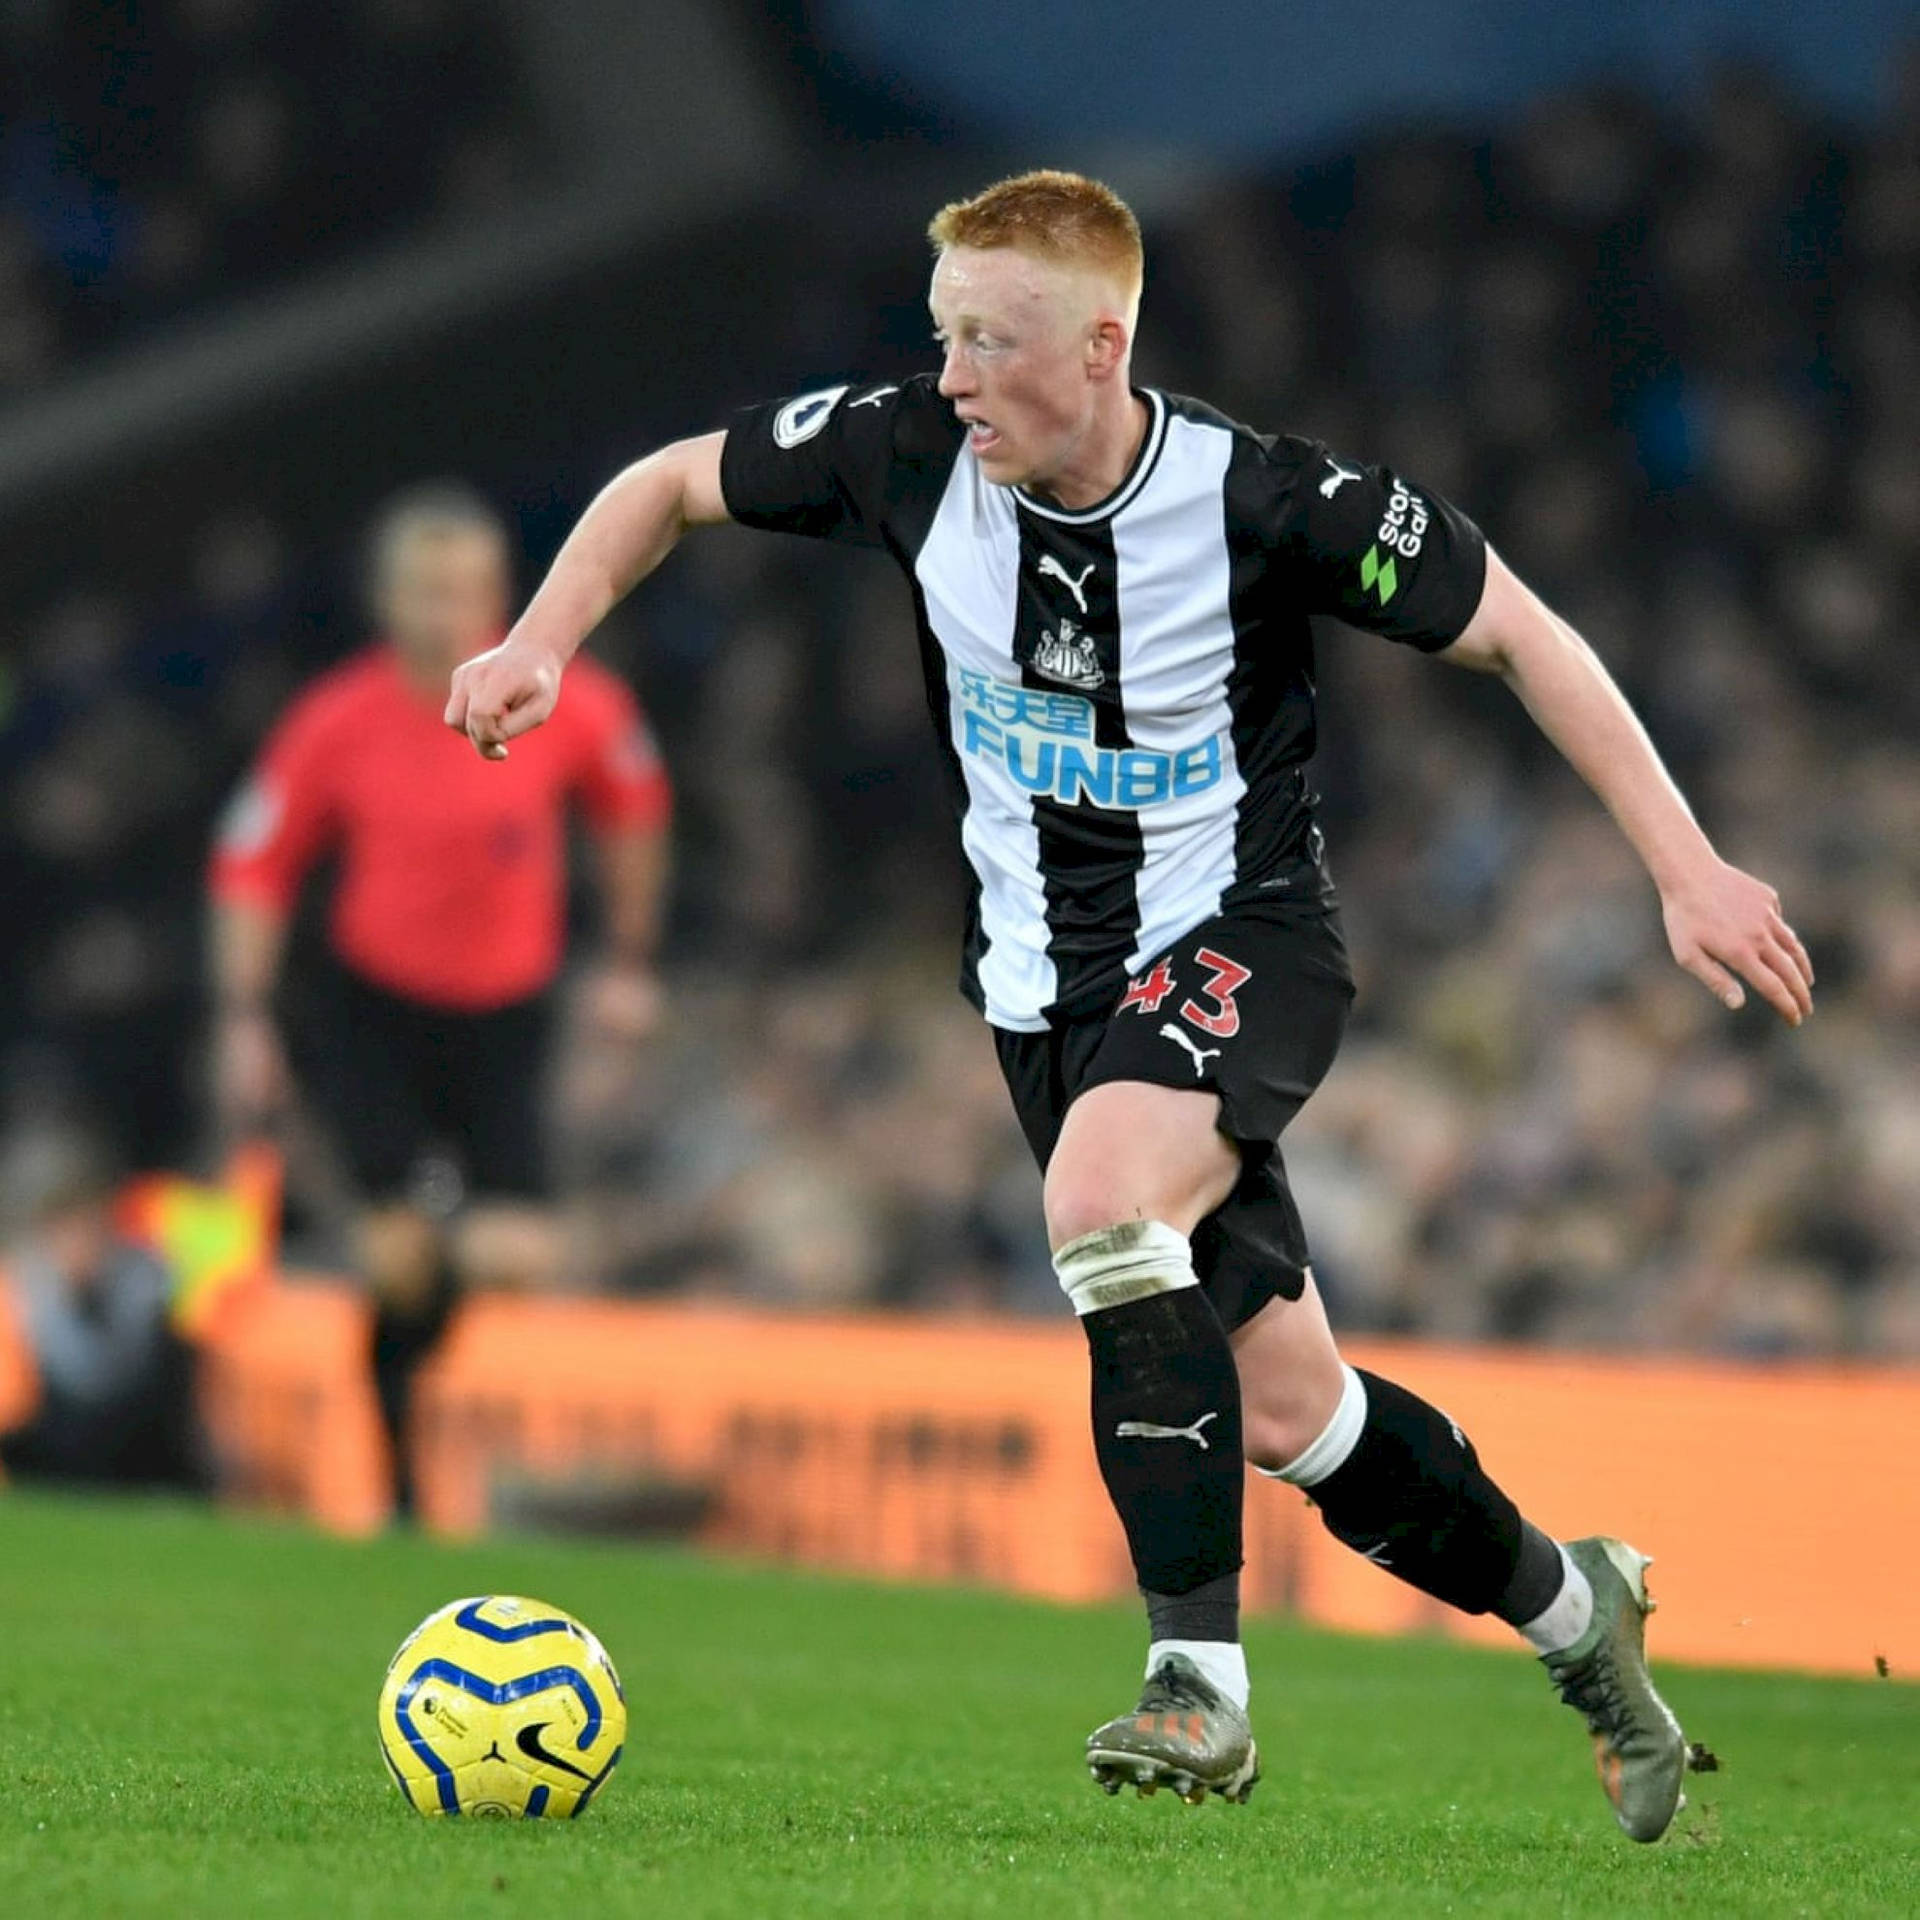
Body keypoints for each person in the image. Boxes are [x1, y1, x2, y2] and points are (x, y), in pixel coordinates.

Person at [442, 173, 1815, 1840]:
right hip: (1044, 996)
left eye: (989, 343)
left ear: (1102, 346)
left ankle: (1199, 1690)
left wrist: (1687, 870)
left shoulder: (1268, 499)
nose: (950, 377)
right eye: (942, 336)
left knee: (1099, 1205)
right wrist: (542, 640)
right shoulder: (900, 454)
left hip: (1247, 936)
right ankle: (1579, 1615)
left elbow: (1522, 631)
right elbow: (666, 487)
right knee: (1298, 1416)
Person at [209, 483, 671, 1503]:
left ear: (498, 594)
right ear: (388, 600)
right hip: (373, 1012)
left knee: (512, 1252)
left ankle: (396, 1360)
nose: (443, 612)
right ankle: (399, 1465)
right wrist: (245, 1014)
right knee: (402, 1254)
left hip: (507, 1014)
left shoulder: (566, 699)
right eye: (423, 591)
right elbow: (253, 862)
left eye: (462, 589)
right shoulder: (338, 720)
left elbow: (633, 802)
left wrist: (630, 961)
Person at [0, 1123, 205, 1491]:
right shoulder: (18, 1301)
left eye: (91, 1221)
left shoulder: (151, 1291)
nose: (82, 1239)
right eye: (66, 1224)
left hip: (143, 1478)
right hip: (46, 1478)